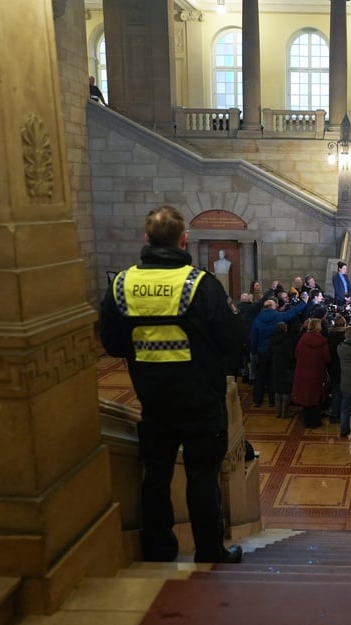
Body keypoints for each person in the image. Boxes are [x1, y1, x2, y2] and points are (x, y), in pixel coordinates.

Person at [99, 204, 244, 564]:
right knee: (202, 477)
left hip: (152, 399)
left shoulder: (121, 283)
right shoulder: (200, 283)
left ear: (146, 238)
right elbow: (232, 340)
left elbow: (114, 344)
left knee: (156, 476)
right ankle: (209, 551)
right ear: (184, 240)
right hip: (201, 401)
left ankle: (158, 552)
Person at [248, 296, 307, 407]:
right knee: (272, 376)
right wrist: (303, 303)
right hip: (275, 352)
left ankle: (257, 400)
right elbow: (292, 313)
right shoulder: (278, 316)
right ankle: (272, 401)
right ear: (272, 306)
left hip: (262, 352)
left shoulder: (257, 320)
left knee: (260, 376)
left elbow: (253, 338)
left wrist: (253, 351)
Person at [292, 318, 331, 428]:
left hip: (302, 372)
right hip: (317, 373)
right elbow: (327, 358)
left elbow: (296, 354)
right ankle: (315, 421)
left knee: (305, 397)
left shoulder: (302, 340)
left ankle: (306, 421)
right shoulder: (322, 342)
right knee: (316, 397)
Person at [269, 322, 296, 418]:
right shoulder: (288, 340)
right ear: (285, 329)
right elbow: (290, 356)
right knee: (286, 390)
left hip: (276, 366)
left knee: (277, 389)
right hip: (286, 367)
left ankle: (277, 412)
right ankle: (284, 412)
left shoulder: (273, 339)